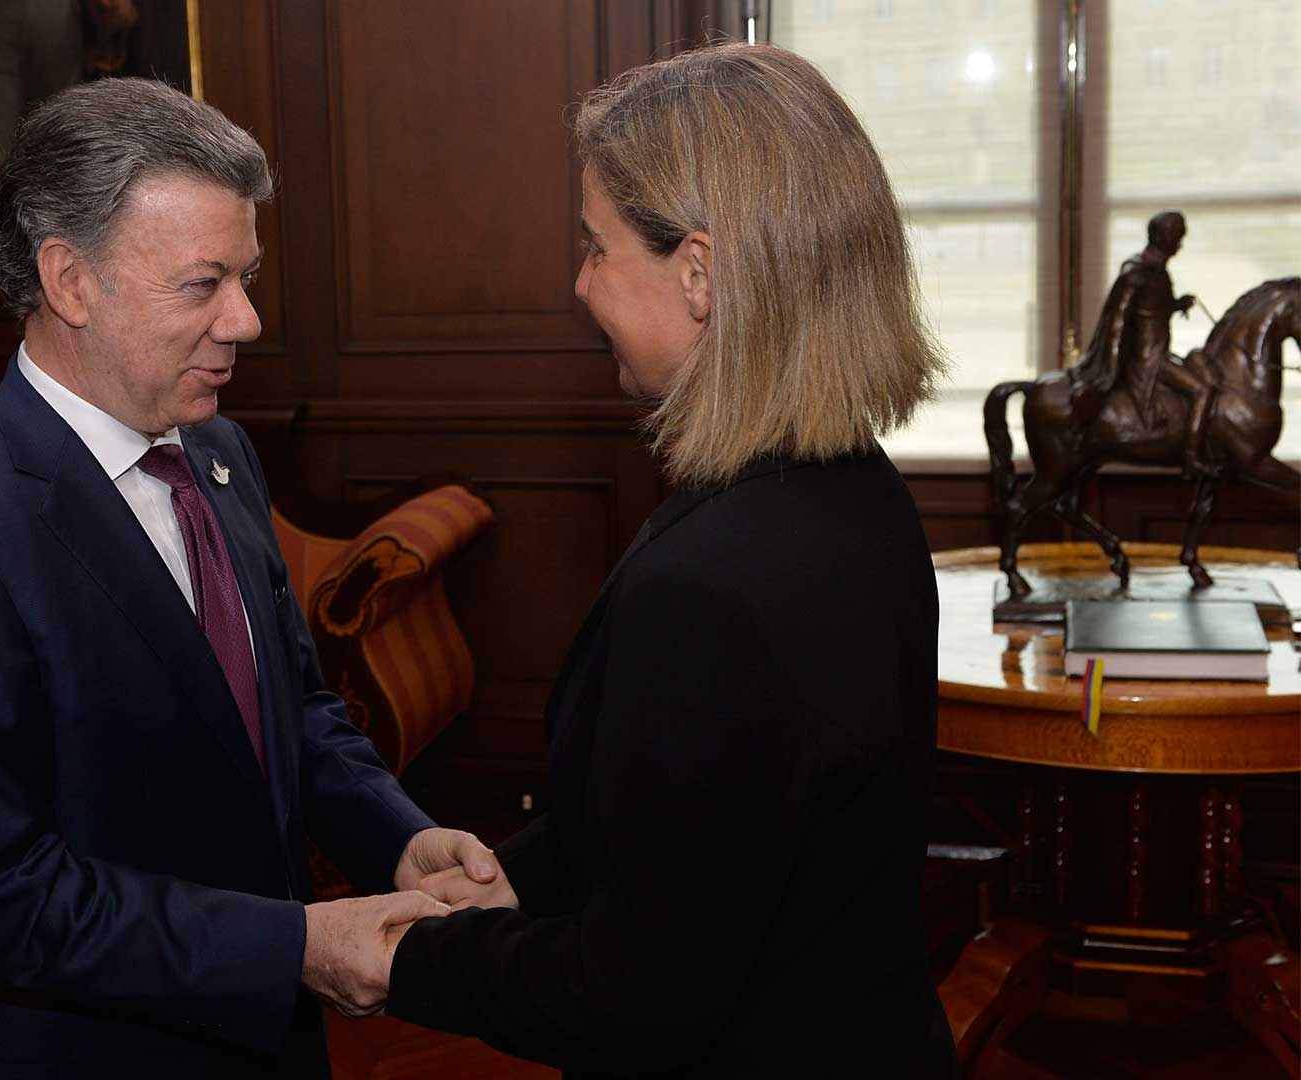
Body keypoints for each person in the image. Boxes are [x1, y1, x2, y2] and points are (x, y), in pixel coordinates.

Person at [0, 78, 491, 1078]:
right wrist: (294, 946)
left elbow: (293, 711)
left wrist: (397, 839)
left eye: (248, 276)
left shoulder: (220, 452)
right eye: (204, 284)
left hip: (261, 1033)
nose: (247, 320)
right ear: (71, 281)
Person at [381, 44, 961, 1078]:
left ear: (699, 272)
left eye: (596, 248)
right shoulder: (855, 487)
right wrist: (512, 880)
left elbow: (634, 996)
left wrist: (398, 962)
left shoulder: (708, 590)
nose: (579, 282)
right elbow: (698, 835)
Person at [1070, 210, 1217, 476]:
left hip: (1158, 352)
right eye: (1177, 238)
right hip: (1148, 360)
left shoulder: (1157, 272)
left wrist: (1176, 305)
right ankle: (1193, 458)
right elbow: (1118, 321)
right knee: (1203, 390)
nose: (1180, 245)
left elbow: (1149, 310)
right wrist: (1109, 368)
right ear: (1162, 238)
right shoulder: (1137, 273)